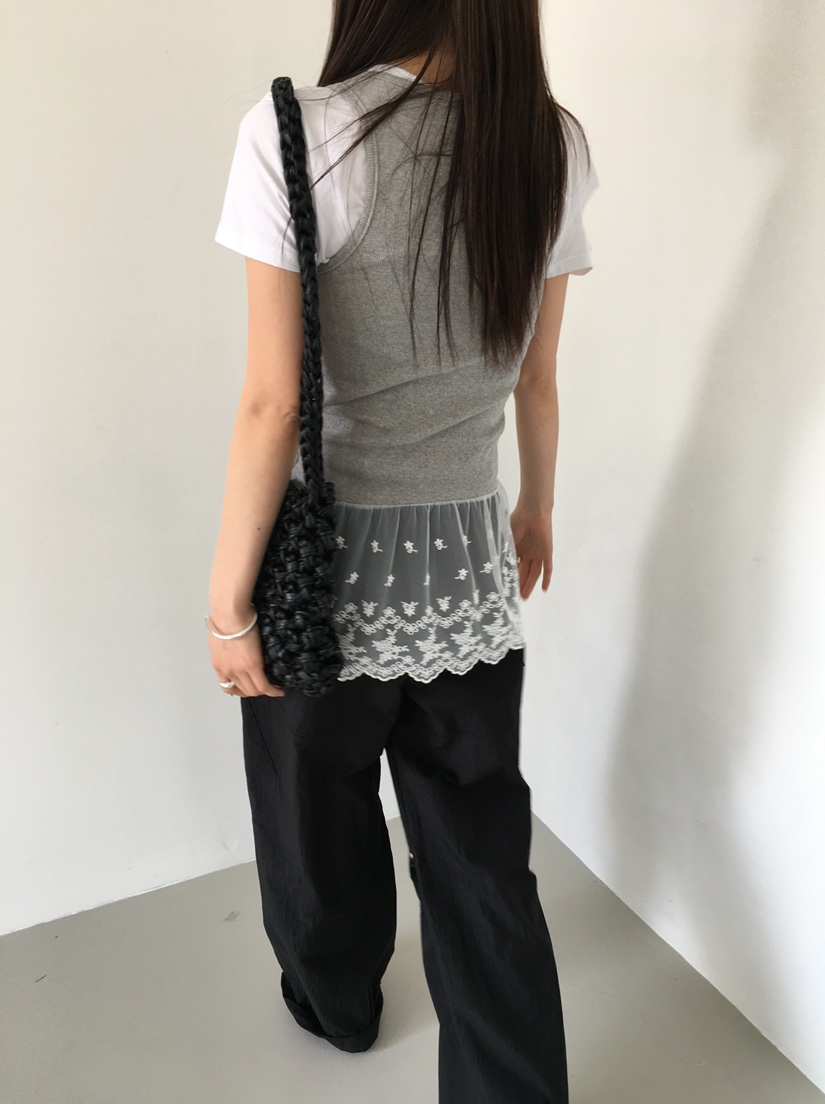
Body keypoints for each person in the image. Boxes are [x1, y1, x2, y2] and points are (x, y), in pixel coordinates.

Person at [206, 3, 599, 1101]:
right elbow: (537, 378)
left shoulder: (297, 131)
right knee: (480, 848)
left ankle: (338, 1005)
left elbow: (272, 403)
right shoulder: (549, 140)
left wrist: (228, 606)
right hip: (468, 571)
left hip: (318, 582)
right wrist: (536, 508)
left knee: (311, 814)